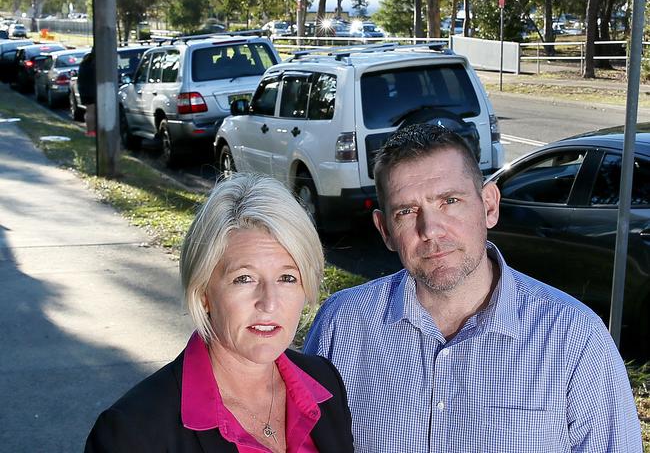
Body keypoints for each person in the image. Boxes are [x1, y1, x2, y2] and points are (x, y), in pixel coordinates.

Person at [304, 123, 642, 452]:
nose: (431, 229)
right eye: (407, 211)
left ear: (489, 206)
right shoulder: (341, 325)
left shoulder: (575, 339)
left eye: (449, 201)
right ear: (385, 230)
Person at [85, 173, 354, 453]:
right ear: (203, 293)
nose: (269, 303)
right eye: (244, 278)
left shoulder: (326, 382)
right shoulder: (131, 433)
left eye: (287, 278)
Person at [77, 48, 96, 137]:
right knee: (91, 111)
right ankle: (91, 131)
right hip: (91, 91)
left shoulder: (85, 62)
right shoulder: (94, 64)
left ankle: (90, 130)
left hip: (85, 90)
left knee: (89, 111)